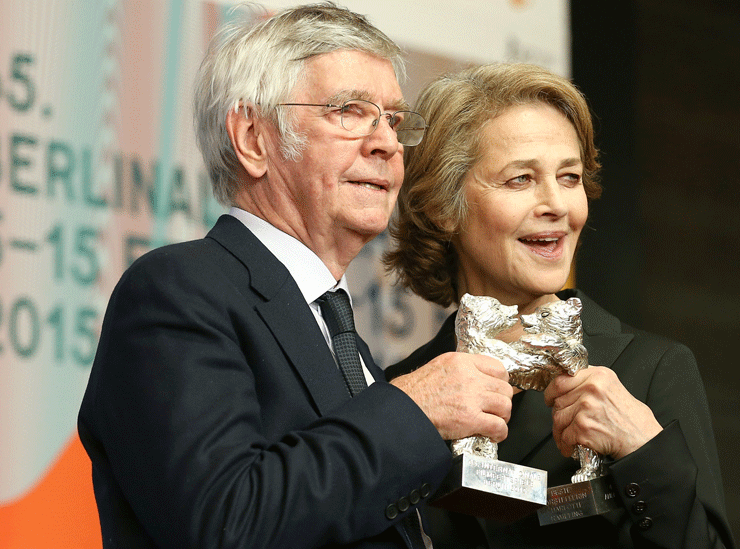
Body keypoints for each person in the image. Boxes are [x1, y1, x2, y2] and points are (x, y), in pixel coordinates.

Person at [77, 5, 514, 548]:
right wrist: (414, 410)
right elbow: (224, 521)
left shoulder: (343, 337)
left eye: (394, 120)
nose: (387, 145)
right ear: (254, 138)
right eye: (350, 111)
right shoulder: (177, 292)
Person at [384, 62, 735, 548]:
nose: (557, 204)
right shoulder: (399, 392)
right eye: (520, 179)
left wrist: (643, 452)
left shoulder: (651, 369)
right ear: (445, 206)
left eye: (569, 177)